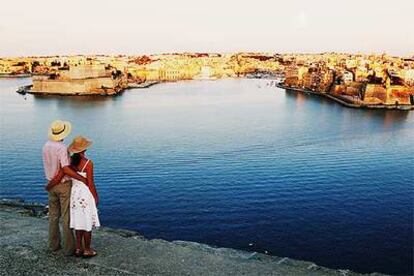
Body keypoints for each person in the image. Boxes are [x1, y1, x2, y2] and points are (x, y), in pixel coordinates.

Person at [50, 135, 100, 257]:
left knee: (78, 222)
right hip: (85, 193)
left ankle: (78, 248)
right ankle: (87, 249)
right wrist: (95, 197)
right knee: (87, 222)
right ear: (84, 149)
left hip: (74, 194)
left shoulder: (70, 161)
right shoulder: (88, 163)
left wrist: (49, 186)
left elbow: (60, 175)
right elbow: (90, 183)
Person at [43, 120, 88, 256]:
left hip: (51, 184)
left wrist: (50, 184)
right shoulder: (62, 148)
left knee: (53, 216)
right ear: (63, 132)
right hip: (62, 185)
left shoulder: (46, 145)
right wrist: (82, 178)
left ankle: (53, 245)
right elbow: (65, 169)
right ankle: (69, 249)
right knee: (66, 216)